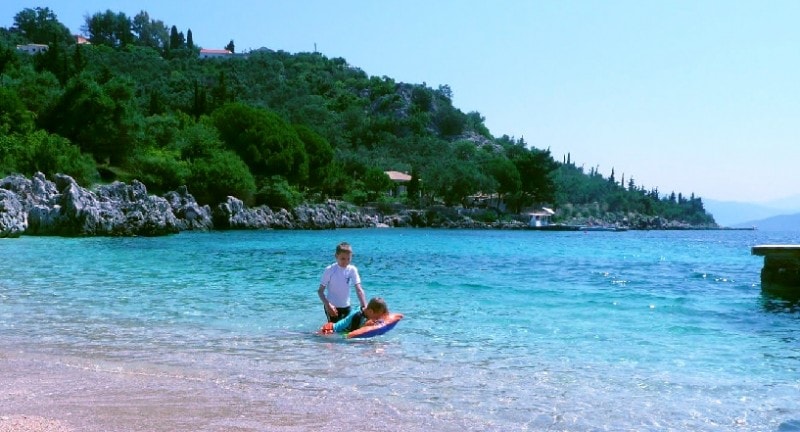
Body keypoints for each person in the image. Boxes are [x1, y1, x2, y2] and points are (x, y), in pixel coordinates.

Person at [318, 242, 367, 323]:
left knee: (348, 329)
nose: (346, 262)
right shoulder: (329, 270)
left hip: (347, 307)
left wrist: (364, 305)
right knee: (334, 331)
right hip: (332, 307)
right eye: (343, 259)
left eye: (349, 259)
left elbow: (359, 289)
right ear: (336, 256)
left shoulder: (352, 269)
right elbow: (320, 291)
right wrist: (328, 305)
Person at [320, 297, 390, 334]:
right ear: (371, 311)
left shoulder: (365, 310)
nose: (377, 319)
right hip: (330, 330)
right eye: (377, 317)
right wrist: (365, 326)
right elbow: (351, 334)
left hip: (332, 326)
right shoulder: (357, 316)